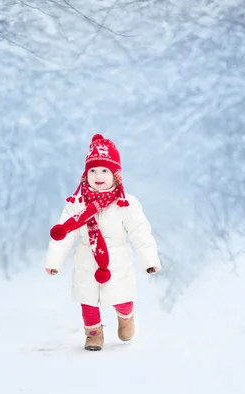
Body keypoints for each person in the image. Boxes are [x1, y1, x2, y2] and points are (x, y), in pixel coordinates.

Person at [44, 133, 161, 351]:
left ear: (116, 175)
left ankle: (126, 316)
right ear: (85, 174)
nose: (98, 175)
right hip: (86, 260)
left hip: (116, 261)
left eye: (105, 170)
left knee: (121, 296)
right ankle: (93, 334)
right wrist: (54, 262)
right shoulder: (77, 203)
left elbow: (141, 233)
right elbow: (65, 233)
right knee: (87, 301)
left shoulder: (125, 203)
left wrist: (149, 261)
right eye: (93, 170)